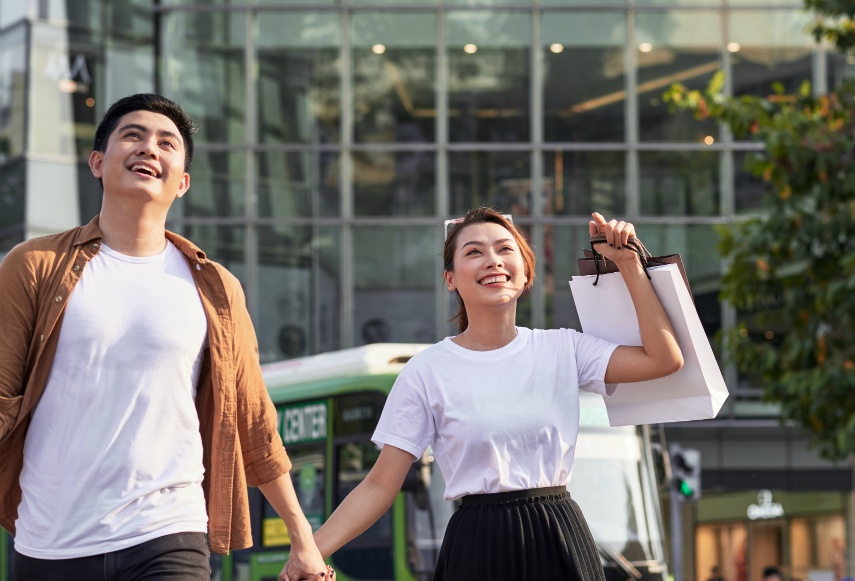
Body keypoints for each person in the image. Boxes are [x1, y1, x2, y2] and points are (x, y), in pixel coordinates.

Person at [0, 94, 330, 581]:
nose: (148, 148)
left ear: (183, 182)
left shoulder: (216, 288)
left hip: (168, 530)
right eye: (132, 135)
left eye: (166, 142)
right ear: (97, 162)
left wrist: (303, 540)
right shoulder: (35, 265)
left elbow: (253, 419)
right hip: (50, 539)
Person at [289, 207, 684, 580]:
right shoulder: (426, 371)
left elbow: (664, 359)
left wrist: (629, 264)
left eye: (505, 249)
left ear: (526, 273)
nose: (493, 261)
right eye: (474, 252)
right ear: (451, 278)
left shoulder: (564, 349)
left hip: (559, 535)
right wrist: (309, 551)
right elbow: (379, 484)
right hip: (477, 543)